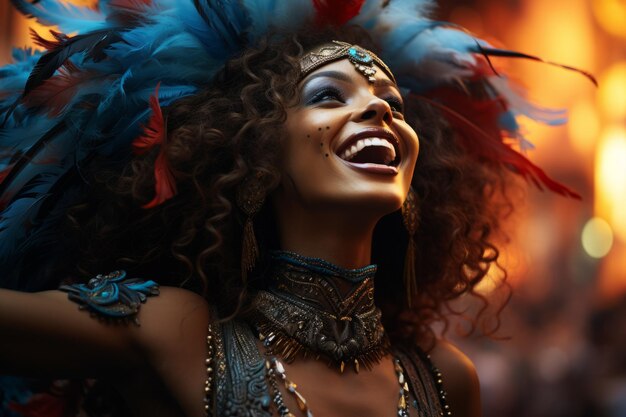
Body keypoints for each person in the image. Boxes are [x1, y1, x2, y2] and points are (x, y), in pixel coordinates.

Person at [0, 1, 589, 416]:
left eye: (392, 104)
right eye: (329, 96)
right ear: (259, 156)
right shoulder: (180, 332)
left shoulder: (445, 381)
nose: (381, 112)